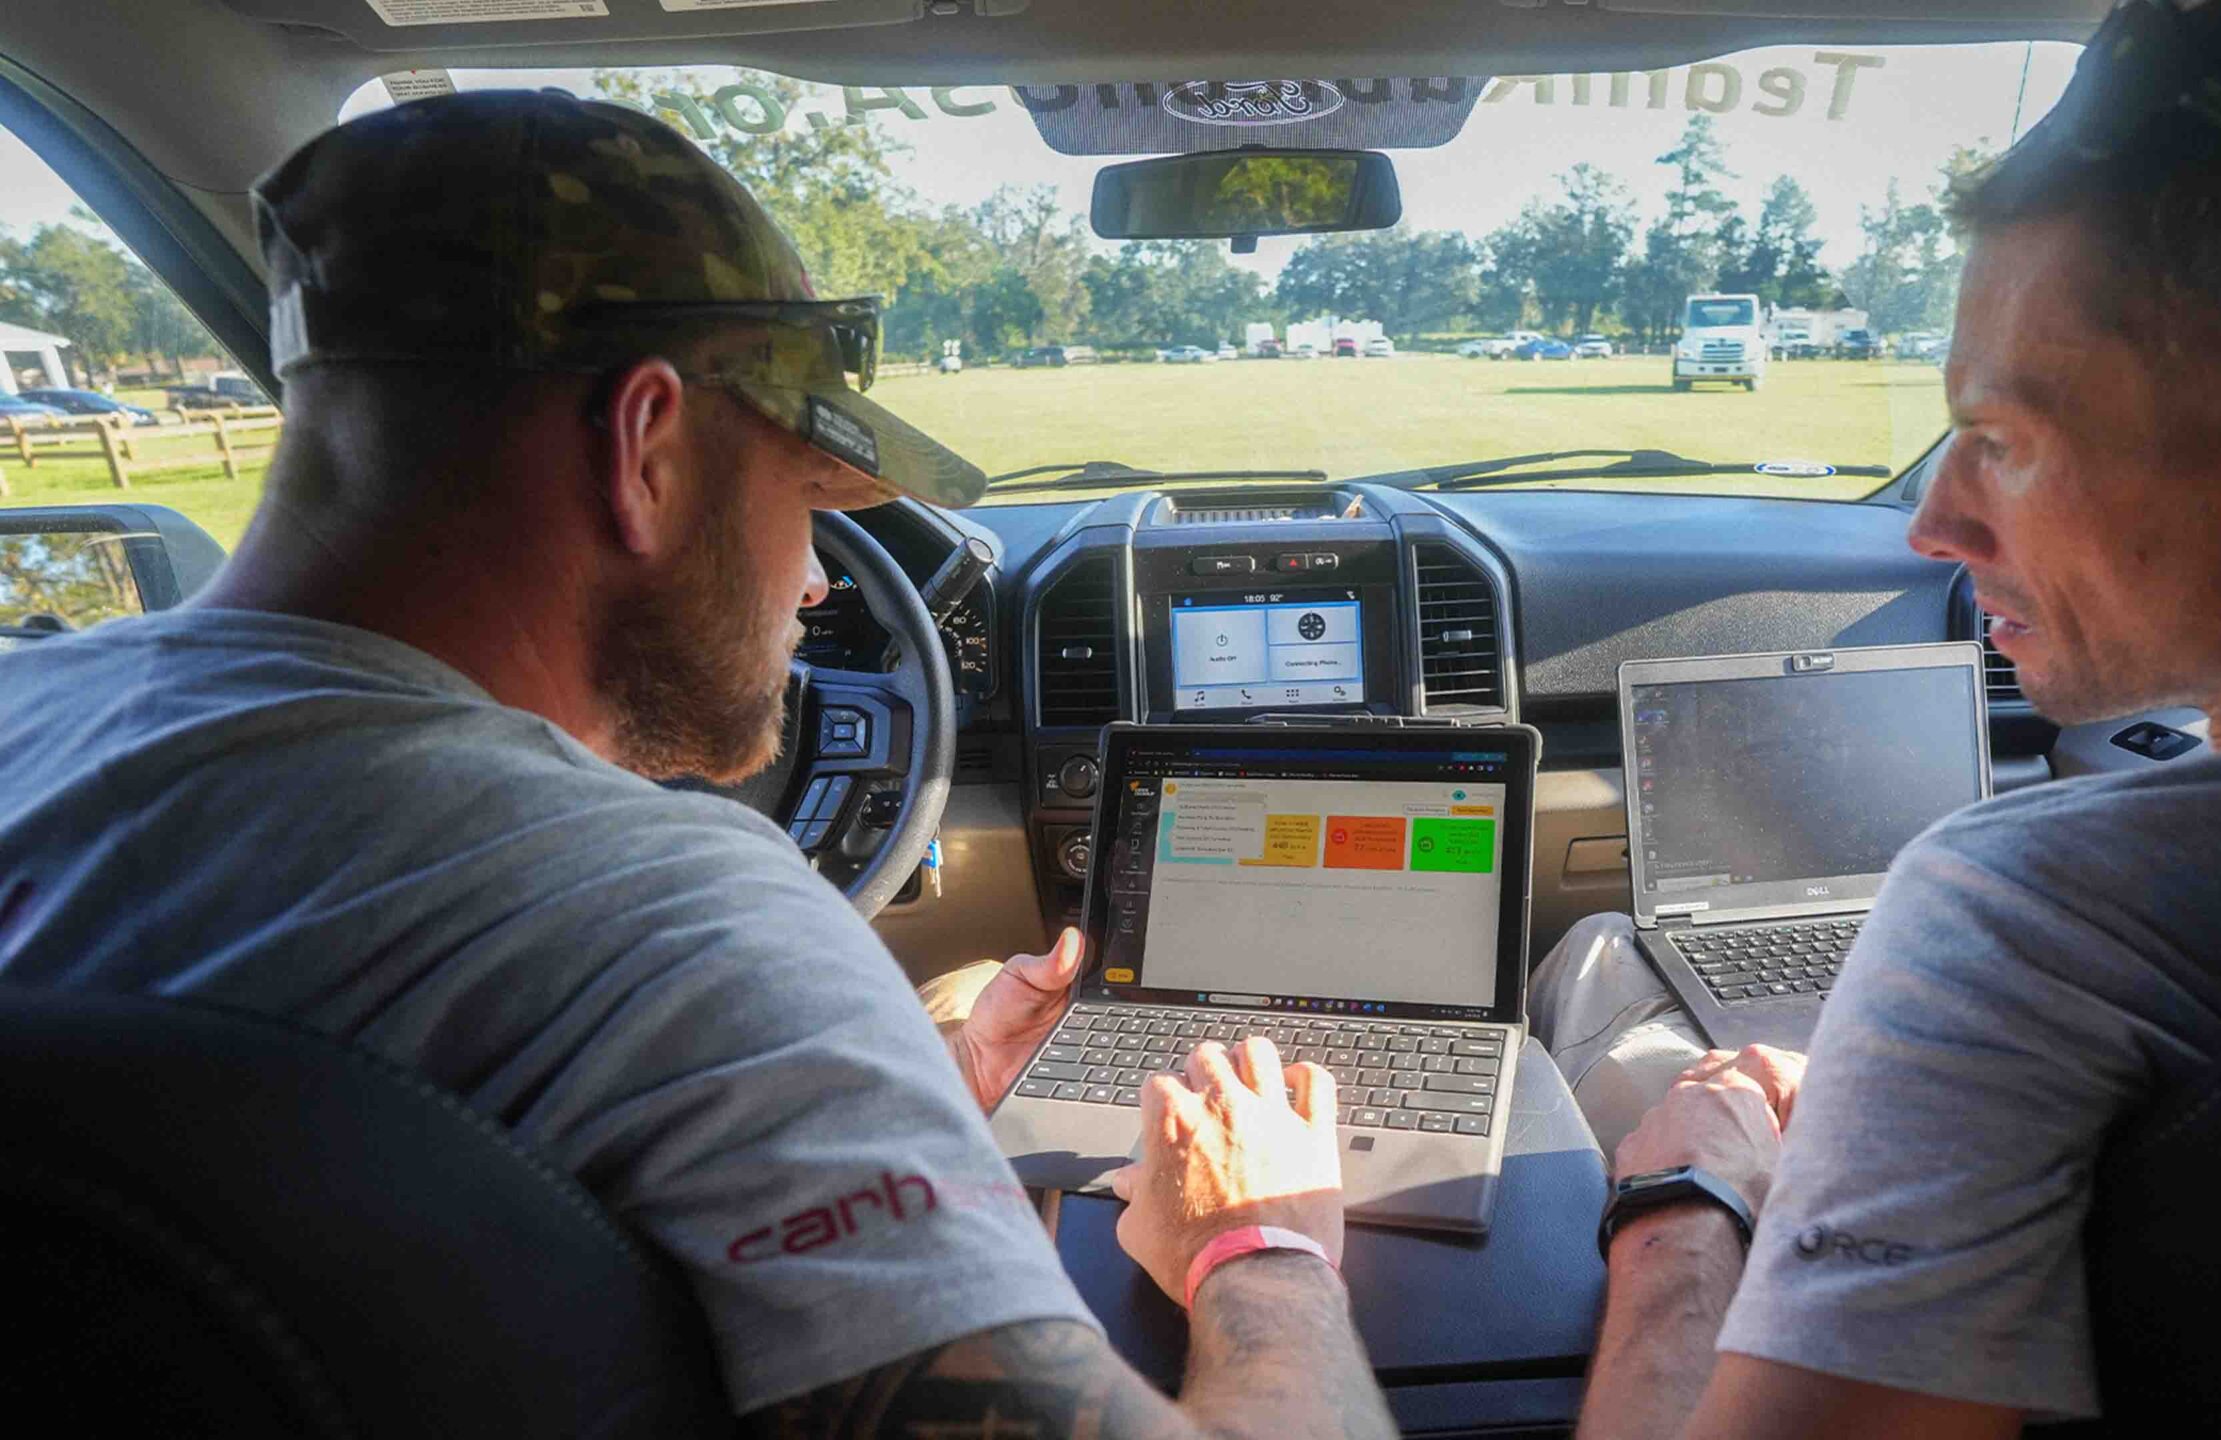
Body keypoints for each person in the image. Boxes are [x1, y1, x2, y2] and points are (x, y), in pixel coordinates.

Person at [0, 92, 1388, 1439]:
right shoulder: (672, 924)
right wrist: (1261, 1247)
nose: (818, 591)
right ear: (645, 446)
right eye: (800, 494)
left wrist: (881, 1097)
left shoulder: (27, 724)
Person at [1534, 1, 2221, 1434]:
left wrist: (1682, 1196)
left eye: (2006, 442)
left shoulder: (2021, 916)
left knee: (1601, 988)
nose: (1933, 525)